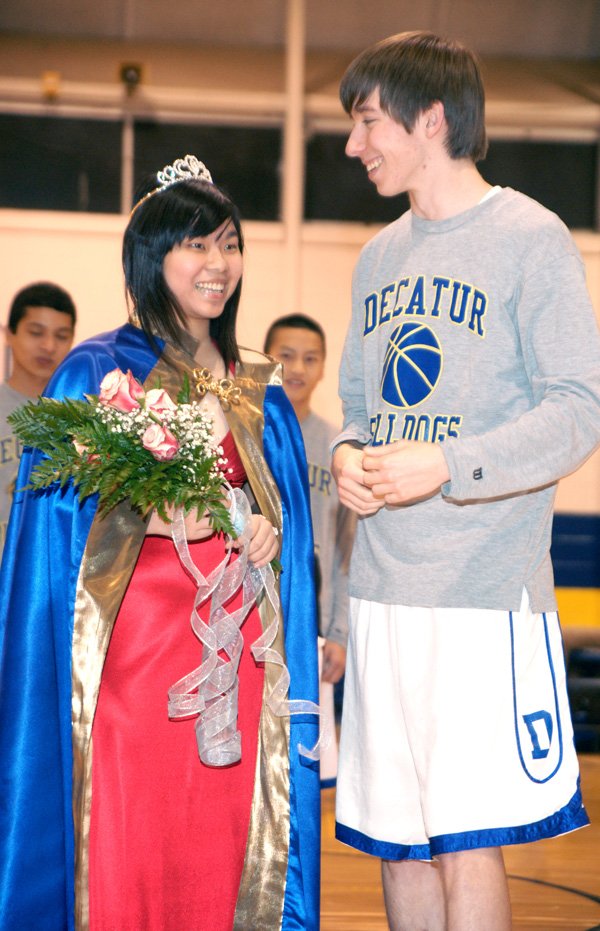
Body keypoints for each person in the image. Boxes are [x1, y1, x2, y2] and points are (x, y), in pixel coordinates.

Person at [0, 155, 320, 931]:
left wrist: (265, 531)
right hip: (133, 664)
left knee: (223, 842)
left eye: (230, 243)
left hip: (237, 660)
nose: (219, 264)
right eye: (196, 245)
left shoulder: (259, 387)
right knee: (133, 838)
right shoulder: (97, 369)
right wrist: (156, 516)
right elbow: (55, 517)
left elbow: (285, 530)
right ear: (152, 256)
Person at [331, 31, 600, 931]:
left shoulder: (531, 239)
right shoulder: (377, 258)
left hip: (481, 596)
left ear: (431, 117)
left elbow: (577, 411)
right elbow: (361, 403)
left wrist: (447, 463)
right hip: (381, 594)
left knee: (465, 838)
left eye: (367, 122)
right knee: (394, 838)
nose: (353, 144)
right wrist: (346, 458)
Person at [264, 313, 354, 785]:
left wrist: (338, 631)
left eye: (310, 357)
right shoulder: (246, 432)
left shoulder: (338, 447)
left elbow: (345, 550)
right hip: (252, 623)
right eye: (286, 355)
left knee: (305, 764)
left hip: (312, 628)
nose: (297, 367)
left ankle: (300, 860)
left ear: (323, 368)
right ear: (265, 359)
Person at [0, 281, 76, 555]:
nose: (48, 346)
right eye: (36, 332)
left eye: (61, 335)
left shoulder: (81, 418)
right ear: (10, 334)